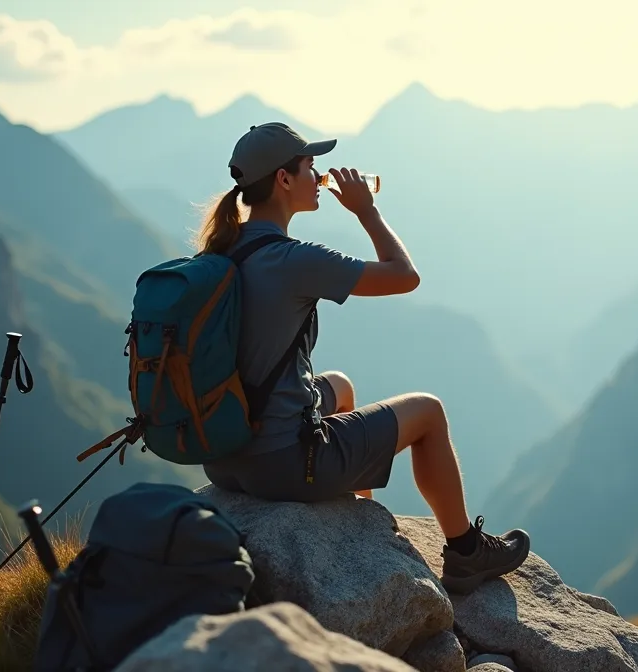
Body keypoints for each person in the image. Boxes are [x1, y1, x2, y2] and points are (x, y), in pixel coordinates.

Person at [197, 121, 529, 594]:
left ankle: (360, 520)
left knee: (339, 384)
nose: (320, 175)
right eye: (310, 166)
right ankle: (466, 553)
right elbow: (404, 276)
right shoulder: (294, 260)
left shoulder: (224, 249)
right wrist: (366, 210)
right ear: (284, 180)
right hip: (282, 465)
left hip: (227, 457)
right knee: (428, 412)